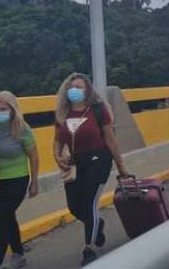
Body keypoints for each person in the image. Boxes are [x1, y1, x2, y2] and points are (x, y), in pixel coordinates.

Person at [53, 73, 129, 266]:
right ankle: (97, 224)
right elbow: (57, 139)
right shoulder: (63, 113)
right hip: (75, 163)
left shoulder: (98, 110)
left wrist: (121, 166)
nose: (74, 90)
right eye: (71, 87)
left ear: (87, 90)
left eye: (79, 86)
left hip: (99, 159)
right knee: (74, 207)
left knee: (89, 202)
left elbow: (110, 139)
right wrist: (57, 156)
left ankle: (89, 247)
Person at [0, 91, 38, 269]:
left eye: (3, 109)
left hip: (18, 178)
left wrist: (35, 182)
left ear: (12, 110)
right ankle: (18, 254)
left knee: (1, 219)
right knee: (7, 217)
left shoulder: (22, 129)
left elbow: (34, 156)